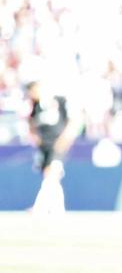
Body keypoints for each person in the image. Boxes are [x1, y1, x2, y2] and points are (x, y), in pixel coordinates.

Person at [26, 81, 81, 214]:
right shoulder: (36, 107)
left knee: (51, 174)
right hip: (45, 147)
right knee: (52, 177)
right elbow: (30, 123)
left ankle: (40, 207)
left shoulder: (59, 101)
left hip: (58, 144)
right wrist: (34, 137)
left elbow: (74, 120)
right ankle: (57, 208)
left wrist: (65, 139)